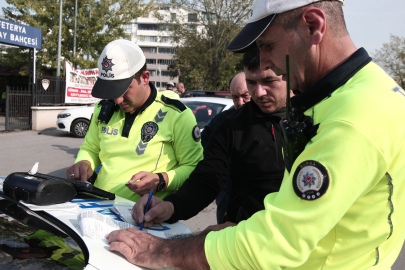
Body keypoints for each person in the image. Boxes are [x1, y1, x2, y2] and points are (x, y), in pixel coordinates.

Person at [107, 0, 405, 269]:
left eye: (268, 45)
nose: (265, 61)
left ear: (313, 26)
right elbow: (209, 178)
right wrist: (176, 207)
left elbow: (276, 240)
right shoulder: (356, 95)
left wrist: (162, 252)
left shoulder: (352, 116)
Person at [67, 39, 203, 202]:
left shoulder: (177, 114)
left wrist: (161, 180)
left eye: (124, 90)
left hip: (145, 218)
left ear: (145, 77)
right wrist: (84, 161)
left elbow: (194, 168)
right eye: (112, 90)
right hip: (97, 206)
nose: (117, 100)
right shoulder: (103, 109)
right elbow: (91, 148)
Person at [200, 71, 251, 224]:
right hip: (227, 193)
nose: (240, 102)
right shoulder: (223, 120)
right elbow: (205, 144)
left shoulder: (269, 120)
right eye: (235, 97)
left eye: (245, 96)